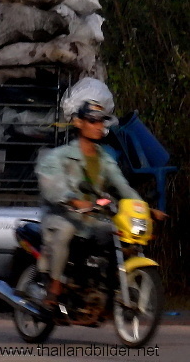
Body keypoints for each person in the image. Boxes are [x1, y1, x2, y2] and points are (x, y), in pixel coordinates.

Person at [35, 100, 166, 310]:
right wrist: (72, 199)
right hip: (61, 215)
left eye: (101, 122)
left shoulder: (104, 158)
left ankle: (106, 284)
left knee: (117, 233)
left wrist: (144, 209)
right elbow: (52, 185)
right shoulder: (58, 156)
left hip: (92, 217)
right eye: (92, 121)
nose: (98, 126)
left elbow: (122, 186)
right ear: (78, 123)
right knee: (66, 230)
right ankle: (55, 285)